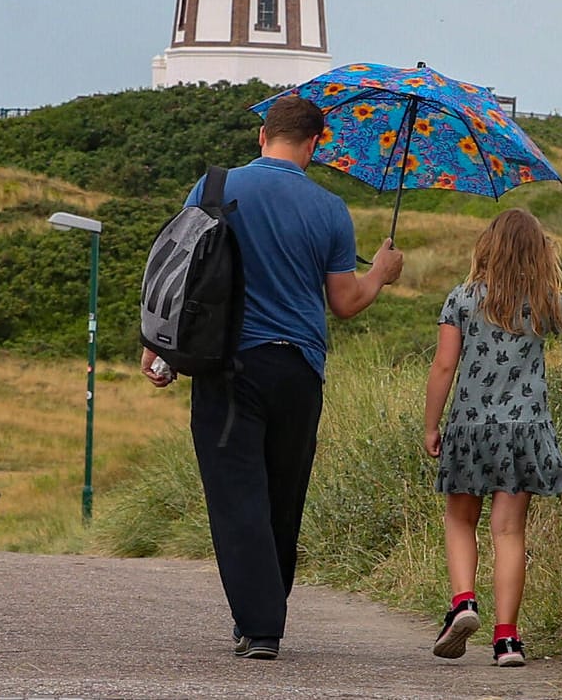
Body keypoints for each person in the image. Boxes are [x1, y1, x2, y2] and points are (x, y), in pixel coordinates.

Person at [141, 94, 404, 660]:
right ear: (315, 144)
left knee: (237, 495)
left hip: (227, 367)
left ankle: (261, 625)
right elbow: (344, 302)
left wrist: (157, 347)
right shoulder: (331, 209)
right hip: (299, 371)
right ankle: (263, 612)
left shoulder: (212, 188)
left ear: (264, 137)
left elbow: (181, 273)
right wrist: (379, 274)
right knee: (284, 496)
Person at [422, 207, 562, 667]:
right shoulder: (547, 301)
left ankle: (464, 603)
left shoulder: (462, 298)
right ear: (539, 251)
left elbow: (444, 366)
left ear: (487, 246)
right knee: (509, 531)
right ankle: (507, 639)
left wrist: (432, 425)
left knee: (460, 520)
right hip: (524, 431)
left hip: (469, 427)